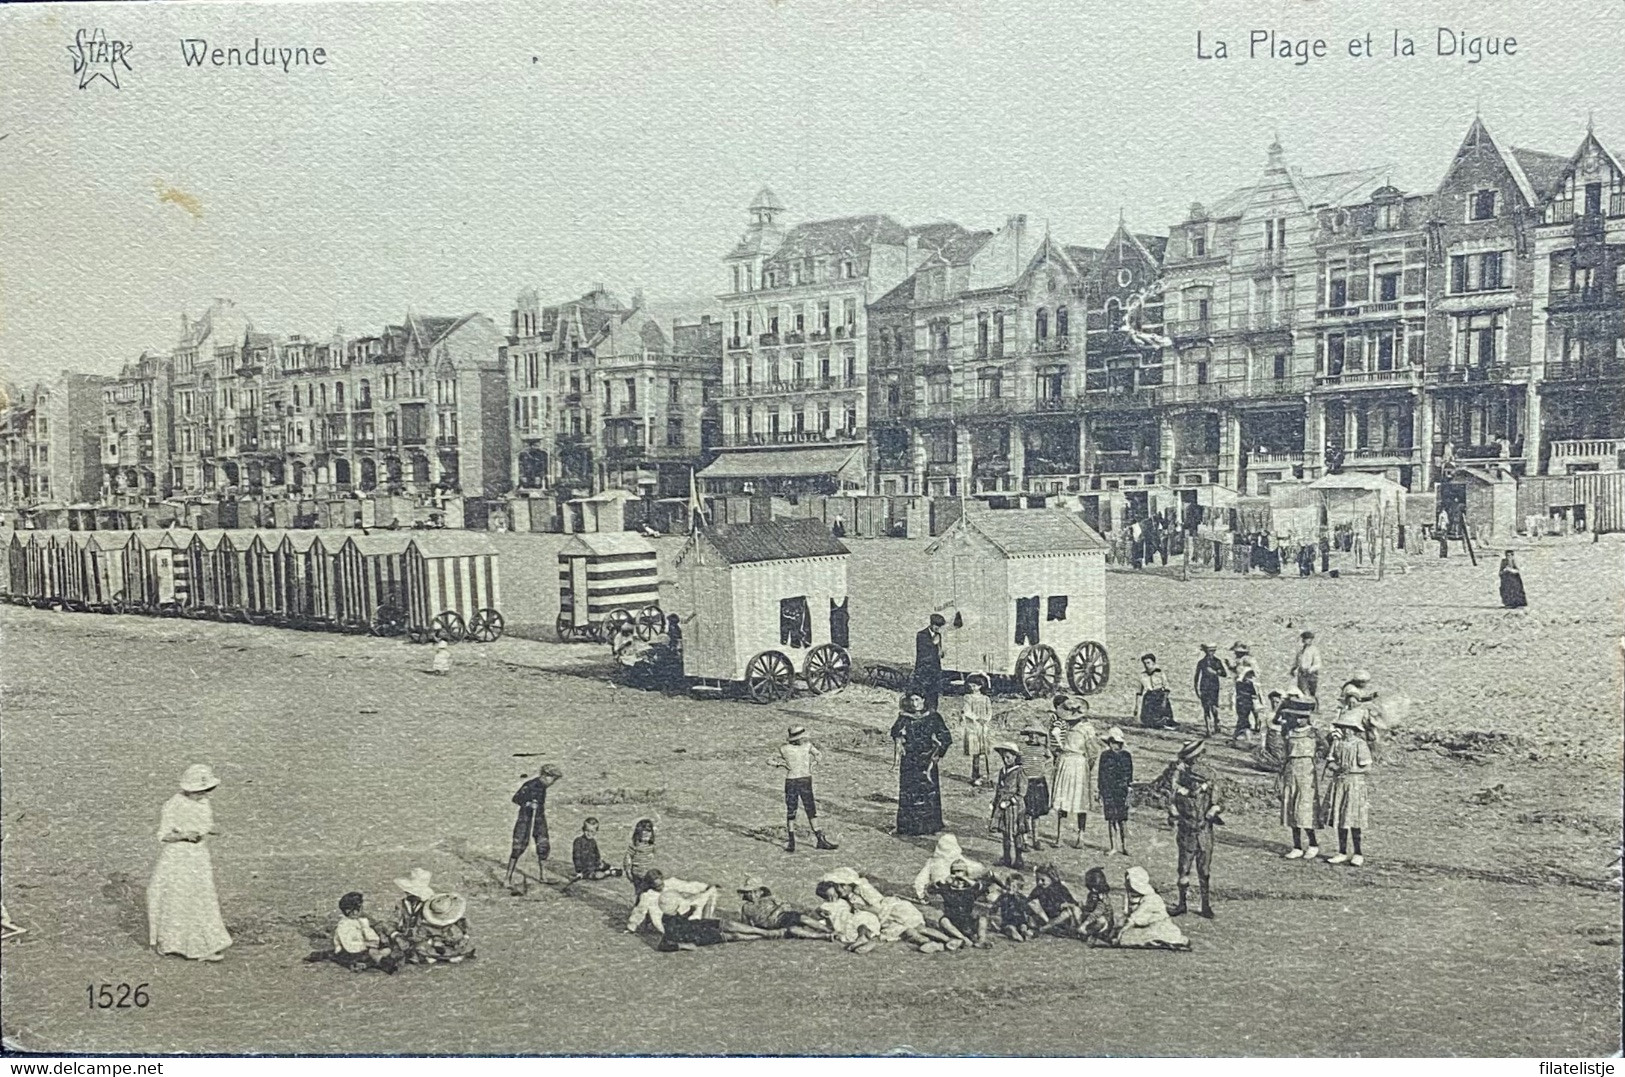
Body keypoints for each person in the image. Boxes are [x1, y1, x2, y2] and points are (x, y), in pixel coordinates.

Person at [147, 764, 232, 962]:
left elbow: (204, 824)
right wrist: (184, 835)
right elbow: (163, 835)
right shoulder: (173, 804)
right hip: (178, 857)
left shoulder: (203, 803)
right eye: (198, 791)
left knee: (200, 898)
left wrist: (211, 830)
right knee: (178, 898)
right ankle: (171, 943)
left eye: (206, 790)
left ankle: (202, 945)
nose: (203, 795)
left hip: (198, 856)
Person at [1168, 741, 1221, 919]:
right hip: (1187, 832)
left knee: (1204, 871)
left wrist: (1213, 811)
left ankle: (1205, 905)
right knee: (1183, 869)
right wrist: (1174, 814)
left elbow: (1218, 802)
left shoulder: (1210, 786)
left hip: (1204, 832)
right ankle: (1182, 903)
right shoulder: (1179, 790)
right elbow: (1172, 805)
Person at [890, 693, 953, 836]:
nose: (914, 703)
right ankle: (907, 827)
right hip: (909, 760)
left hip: (927, 759)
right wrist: (900, 739)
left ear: (923, 700)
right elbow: (894, 731)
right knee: (909, 791)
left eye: (917, 699)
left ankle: (930, 826)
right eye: (911, 700)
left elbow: (946, 738)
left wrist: (938, 754)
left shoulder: (933, 717)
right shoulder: (904, 717)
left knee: (928, 791)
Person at [774, 725, 838, 852]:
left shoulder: (785, 748)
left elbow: (769, 760)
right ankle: (817, 839)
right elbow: (818, 755)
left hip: (793, 780)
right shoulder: (806, 746)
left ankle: (794, 842)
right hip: (804, 779)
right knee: (807, 809)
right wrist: (813, 764)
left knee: (795, 810)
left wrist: (780, 764)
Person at [1049, 696, 1101, 848]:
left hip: (1079, 763)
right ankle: (1059, 836)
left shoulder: (1087, 729)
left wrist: (1087, 767)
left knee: (1080, 801)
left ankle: (1081, 836)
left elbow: (1093, 752)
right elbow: (1053, 744)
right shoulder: (1062, 726)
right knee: (1062, 799)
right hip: (1065, 761)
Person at [1324, 715, 1373, 866]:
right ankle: (1342, 851)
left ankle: (1358, 853)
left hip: (1355, 784)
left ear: (1354, 730)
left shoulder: (1360, 744)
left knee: (1354, 818)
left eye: (1350, 728)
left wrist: (1352, 770)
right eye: (1344, 728)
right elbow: (1330, 761)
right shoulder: (1337, 743)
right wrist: (1337, 768)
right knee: (1340, 819)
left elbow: (1368, 767)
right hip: (1340, 783)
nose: (1346, 731)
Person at [505, 763, 562, 890]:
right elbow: (516, 798)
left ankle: (543, 876)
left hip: (539, 818)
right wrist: (528, 803)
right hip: (525, 818)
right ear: (545, 775)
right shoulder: (530, 785)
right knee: (519, 846)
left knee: (543, 845)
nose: (553, 782)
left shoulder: (543, 787)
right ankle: (507, 879)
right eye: (552, 779)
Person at [317, 892, 399, 973]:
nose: (362, 910)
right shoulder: (345, 925)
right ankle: (382, 963)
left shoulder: (361, 920)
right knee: (372, 953)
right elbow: (350, 945)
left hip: (364, 947)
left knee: (386, 949)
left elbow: (370, 932)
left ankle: (372, 962)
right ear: (352, 911)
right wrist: (367, 945)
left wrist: (377, 939)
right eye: (360, 908)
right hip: (351, 951)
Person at [1279, 701, 1321, 860]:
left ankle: (1313, 844)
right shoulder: (1289, 733)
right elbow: (1285, 754)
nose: (1299, 721)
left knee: (1305, 808)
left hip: (1307, 773)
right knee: (1291, 806)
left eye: (1302, 718)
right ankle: (1296, 845)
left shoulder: (1314, 733)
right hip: (1291, 769)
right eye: (1296, 717)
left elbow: (1324, 748)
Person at [1114, 866, 1190, 950]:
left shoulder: (1151, 899)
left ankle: (1162, 941)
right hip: (1145, 926)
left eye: (1128, 882)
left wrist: (1120, 933)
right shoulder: (1134, 897)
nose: (1125, 884)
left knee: (1126, 938)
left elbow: (1133, 919)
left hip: (1159, 927)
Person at [626, 869, 718, 935]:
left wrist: (705, 887)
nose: (660, 887)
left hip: (682, 913)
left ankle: (706, 922)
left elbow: (688, 886)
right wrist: (631, 927)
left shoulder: (671, 883)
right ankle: (703, 927)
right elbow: (639, 911)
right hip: (668, 922)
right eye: (657, 886)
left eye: (661, 884)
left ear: (662, 879)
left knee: (709, 893)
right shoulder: (647, 895)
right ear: (651, 885)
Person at [736, 877, 831, 940]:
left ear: (761, 892)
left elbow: (787, 904)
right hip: (772, 925)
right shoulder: (746, 907)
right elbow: (746, 925)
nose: (752, 895)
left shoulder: (769, 899)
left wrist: (778, 910)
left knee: (802, 918)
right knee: (793, 930)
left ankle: (828, 930)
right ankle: (822, 936)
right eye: (749, 892)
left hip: (782, 916)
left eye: (755, 892)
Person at [929, 860, 992, 948]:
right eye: (955, 872)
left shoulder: (970, 889)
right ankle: (964, 939)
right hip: (953, 922)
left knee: (982, 919)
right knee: (944, 921)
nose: (958, 875)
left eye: (961, 871)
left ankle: (981, 940)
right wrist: (946, 880)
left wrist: (965, 878)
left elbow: (983, 889)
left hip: (967, 922)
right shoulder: (947, 888)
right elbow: (931, 889)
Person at [403, 892, 475, 964]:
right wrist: (432, 942)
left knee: (462, 947)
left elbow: (466, 933)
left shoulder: (459, 922)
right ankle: (444, 956)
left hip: (452, 945)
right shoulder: (426, 925)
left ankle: (450, 955)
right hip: (434, 946)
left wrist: (464, 938)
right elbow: (420, 938)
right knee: (421, 948)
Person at [989, 744, 1029, 868]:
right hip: (1002, 806)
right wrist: (995, 801)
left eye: (1008, 757)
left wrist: (1010, 801)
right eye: (1003, 758)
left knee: (1017, 833)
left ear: (1015, 757)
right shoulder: (1003, 771)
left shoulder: (1019, 771)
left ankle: (1019, 859)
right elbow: (999, 789)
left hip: (1015, 808)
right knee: (1005, 832)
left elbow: (1022, 792)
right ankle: (1006, 858)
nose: (1006, 760)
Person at [913, 833, 985, 900]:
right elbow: (976, 868)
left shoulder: (932, 861)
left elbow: (920, 880)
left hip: (940, 891)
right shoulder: (958, 859)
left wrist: (921, 895)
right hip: (958, 888)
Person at [1098, 727, 1134, 856]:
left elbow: (1129, 774)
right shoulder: (1105, 755)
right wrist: (1100, 791)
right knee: (1111, 819)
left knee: (1122, 820)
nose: (1114, 745)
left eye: (1117, 743)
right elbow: (1101, 774)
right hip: (1108, 790)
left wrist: (1129, 789)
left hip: (1121, 790)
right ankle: (1113, 846)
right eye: (1112, 742)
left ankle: (1125, 846)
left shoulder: (1126, 756)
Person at [1018, 721, 1054, 848]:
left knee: (1036, 814)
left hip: (1038, 781)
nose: (1034, 737)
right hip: (1026, 781)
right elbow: (1018, 761)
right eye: (1031, 735)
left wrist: (1044, 766)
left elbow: (1050, 758)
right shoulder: (1022, 747)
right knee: (1026, 812)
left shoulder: (1043, 748)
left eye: (1036, 735)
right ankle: (1025, 840)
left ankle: (1036, 839)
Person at [1026, 862, 1083, 937]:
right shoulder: (1038, 890)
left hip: (1059, 917)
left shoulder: (1061, 888)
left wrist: (1071, 904)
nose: (1039, 882)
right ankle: (1050, 928)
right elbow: (1030, 901)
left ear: (1052, 879)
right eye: (1037, 880)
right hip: (1045, 916)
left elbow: (1070, 900)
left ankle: (1047, 928)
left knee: (1068, 913)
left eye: (1043, 880)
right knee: (1033, 905)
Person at [960, 673, 995, 787]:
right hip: (973, 727)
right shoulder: (968, 697)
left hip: (983, 727)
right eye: (971, 685)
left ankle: (986, 776)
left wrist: (985, 719)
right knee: (975, 752)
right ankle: (975, 775)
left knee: (983, 751)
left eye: (975, 685)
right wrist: (977, 718)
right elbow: (966, 711)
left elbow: (989, 712)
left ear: (980, 686)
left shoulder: (986, 699)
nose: (972, 687)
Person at [1228, 642, 1262, 745]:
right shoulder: (1240, 661)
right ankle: (1237, 738)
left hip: (1245, 690)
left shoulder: (1248, 661)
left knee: (1243, 716)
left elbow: (1255, 673)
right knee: (1243, 715)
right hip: (1243, 690)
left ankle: (1245, 739)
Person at [912, 613, 947, 713]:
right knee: (923, 694)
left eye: (940, 627)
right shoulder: (921, 635)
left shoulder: (938, 635)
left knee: (934, 695)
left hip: (935, 671)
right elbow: (922, 652)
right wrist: (933, 643)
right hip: (923, 671)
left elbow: (938, 653)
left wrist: (941, 652)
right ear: (931, 624)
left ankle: (933, 714)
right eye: (937, 626)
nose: (938, 629)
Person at [984, 874, 1034, 941]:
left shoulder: (1004, 897)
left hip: (1010, 921)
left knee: (1013, 927)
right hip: (1016, 920)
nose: (1010, 888)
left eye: (1013, 886)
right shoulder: (1019, 897)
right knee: (1019, 926)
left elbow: (994, 908)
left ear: (1019, 889)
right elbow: (1028, 910)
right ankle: (1021, 931)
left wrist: (991, 914)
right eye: (1008, 885)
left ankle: (1018, 931)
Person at [1193, 643, 1227, 735]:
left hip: (1214, 687)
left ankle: (1216, 722)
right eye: (1208, 651)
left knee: (1214, 708)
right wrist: (1196, 688)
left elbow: (1224, 674)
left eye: (1212, 651)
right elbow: (1196, 676)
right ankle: (1208, 729)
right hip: (1204, 686)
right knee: (1206, 708)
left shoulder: (1217, 661)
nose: (1210, 653)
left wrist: (1215, 672)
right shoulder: (1201, 662)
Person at [1077, 867, 1117, 944]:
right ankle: (1085, 932)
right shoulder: (1092, 894)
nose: (1093, 890)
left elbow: (1097, 913)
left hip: (1103, 922)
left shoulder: (1103, 898)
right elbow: (1090, 908)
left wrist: (1085, 924)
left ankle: (1093, 935)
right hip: (1091, 918)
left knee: (1101, 920)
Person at [1135, 653, 1176, 729]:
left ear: (1153, 663)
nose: (1146, 665)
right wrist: (1136, 707)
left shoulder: (1160, 673)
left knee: (1163, 717)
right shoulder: (1142, 675)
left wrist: (1164, 701)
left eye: (1148, 663)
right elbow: (1139, 692)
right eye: (1144, 663)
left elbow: (1166, 688)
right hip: (1149, 698)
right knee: (1147, 722)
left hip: (1159, 696)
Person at [623, 818, 660, 896]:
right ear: (638, 834)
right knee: (640, 892)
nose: (646, 837)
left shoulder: (652, 845)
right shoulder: (635, 845)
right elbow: (628, 857)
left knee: (649, 892)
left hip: (648, 874)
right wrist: (628, 870)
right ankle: (638, 905)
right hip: (637, 873)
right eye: (643, 835)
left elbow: (654, 857)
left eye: (648, 835)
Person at [1290, 630, 1322, 704]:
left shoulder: (1314, 650)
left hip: (1311, 674)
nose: (1305, 640)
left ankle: (1314, 708)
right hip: (1302, 674)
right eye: (1304, 639)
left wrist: (1310, 670)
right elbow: (1297, 662)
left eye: (1307, 639)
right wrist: (1293, 669)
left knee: (1311, 693)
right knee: (1303, 692)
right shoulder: (1301, 651)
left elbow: (1318, 664)